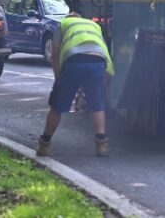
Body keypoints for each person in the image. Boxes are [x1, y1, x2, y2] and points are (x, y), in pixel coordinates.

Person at [36, 11, 115, 157]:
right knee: (97, 105)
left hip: (74, 62)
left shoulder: (63, 24)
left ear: (69, 18)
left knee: (57, 107)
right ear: (80, 18)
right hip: (98, 62)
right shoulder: (93, 25)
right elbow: (103, 49)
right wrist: (106, 76)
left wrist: (58, 77)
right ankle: (101, 145)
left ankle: (44, 145)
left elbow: (55, 53)